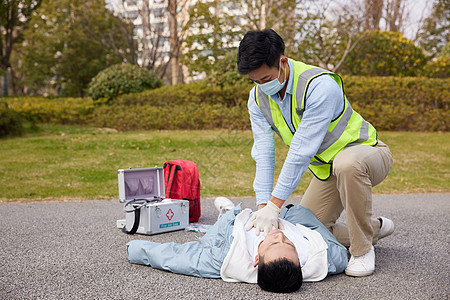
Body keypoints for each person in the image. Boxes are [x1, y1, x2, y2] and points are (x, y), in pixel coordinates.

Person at [237, 29, 394, 277]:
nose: (260, 86)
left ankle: (362, 250)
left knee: (347, 164)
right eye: (254, 81)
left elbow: (300, 152)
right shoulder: (257, 99)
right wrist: (263, 208)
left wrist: (275, 207)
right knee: (302, 229)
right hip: (329, 171)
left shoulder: (319, 86)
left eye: (266, 79)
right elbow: (264, 154)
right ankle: (374, 229)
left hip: (366, 156)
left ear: (283, 62)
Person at [126, 197, 349, 293]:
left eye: (273, 244)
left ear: (256, 259)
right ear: (299, 259)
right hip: (284, 216)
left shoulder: (220, 260)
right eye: (287, 243)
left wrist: (134, 248)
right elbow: (335, 247)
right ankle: (374, 227)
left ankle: (226, 210)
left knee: (211, 234)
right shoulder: (328, 259)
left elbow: (176, 257)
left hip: (230, 230)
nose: (279, 236)